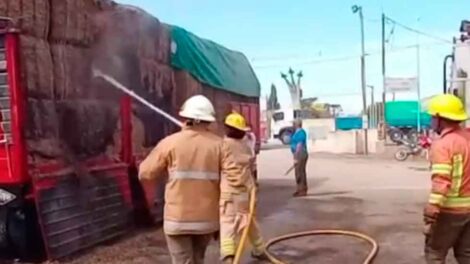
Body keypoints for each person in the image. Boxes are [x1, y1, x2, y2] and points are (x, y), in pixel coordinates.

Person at [138, 95, 243, 264]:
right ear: (208, 121)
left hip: (177, 220)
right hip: (207, 222)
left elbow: (145, 173)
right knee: (198, 259)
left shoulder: (169, 143)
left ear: (186, 118)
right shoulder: (220, 145)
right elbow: (236, 178)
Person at [423, 94, 470, 264]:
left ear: (439, 119)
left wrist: (432, 209)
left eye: (432, 117)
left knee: (435, 253)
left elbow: (442, 180)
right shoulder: (467, 137)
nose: (431, 121)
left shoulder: (444, 144)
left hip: (451, 211)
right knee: (466, 254)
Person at [220, 112, 266, 263]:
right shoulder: (246, 146)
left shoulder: (223, 145)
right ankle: (259, 249)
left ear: (227, 129)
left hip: (229, 193)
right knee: (248, 220)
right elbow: (252, 167)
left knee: (228, 223)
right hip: (246, 192)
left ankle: (228, 256)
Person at [290, 119, 308, 197]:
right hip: (297, 153)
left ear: (296, 124)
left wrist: (296, 157)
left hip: (300, 153)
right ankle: (300, 189)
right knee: (299, 171)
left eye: (293, 124)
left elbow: (299, 145)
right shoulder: (296, 132)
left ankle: (302, 190)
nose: (292, 125)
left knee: (299, 172)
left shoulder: (301, 132)